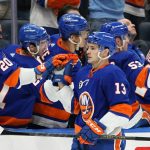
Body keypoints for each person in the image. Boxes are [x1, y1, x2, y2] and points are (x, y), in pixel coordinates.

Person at [50, 32, 132, 149]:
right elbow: (77, 107)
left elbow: (123, 110)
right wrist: (60, 85)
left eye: (93, 48)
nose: (88, 51)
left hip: (105, 140)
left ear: (105, 51)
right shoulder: (83, 73)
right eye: (88, 47)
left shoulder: (113, 73)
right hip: (81, 137)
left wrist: (99, 126)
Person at [0, 23, 66, 129]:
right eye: (43, 43)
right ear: (31, 47)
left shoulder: (9, 50)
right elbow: (48, 95)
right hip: (13, 123)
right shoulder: (34, 66)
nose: (47, 46)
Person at [29, 13, 88, 128]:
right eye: (84, 32)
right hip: (53, 120)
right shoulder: (73, 63)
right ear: (73, 38)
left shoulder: (51, 40)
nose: (87, 36)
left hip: (31, 110)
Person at [100, 21, 150, 127]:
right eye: (126, 37)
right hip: (129, 116)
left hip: (103, 117)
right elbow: (142, 80)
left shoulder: (95, 60)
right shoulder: (126, 56)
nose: (128, 41)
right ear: (118, 41)